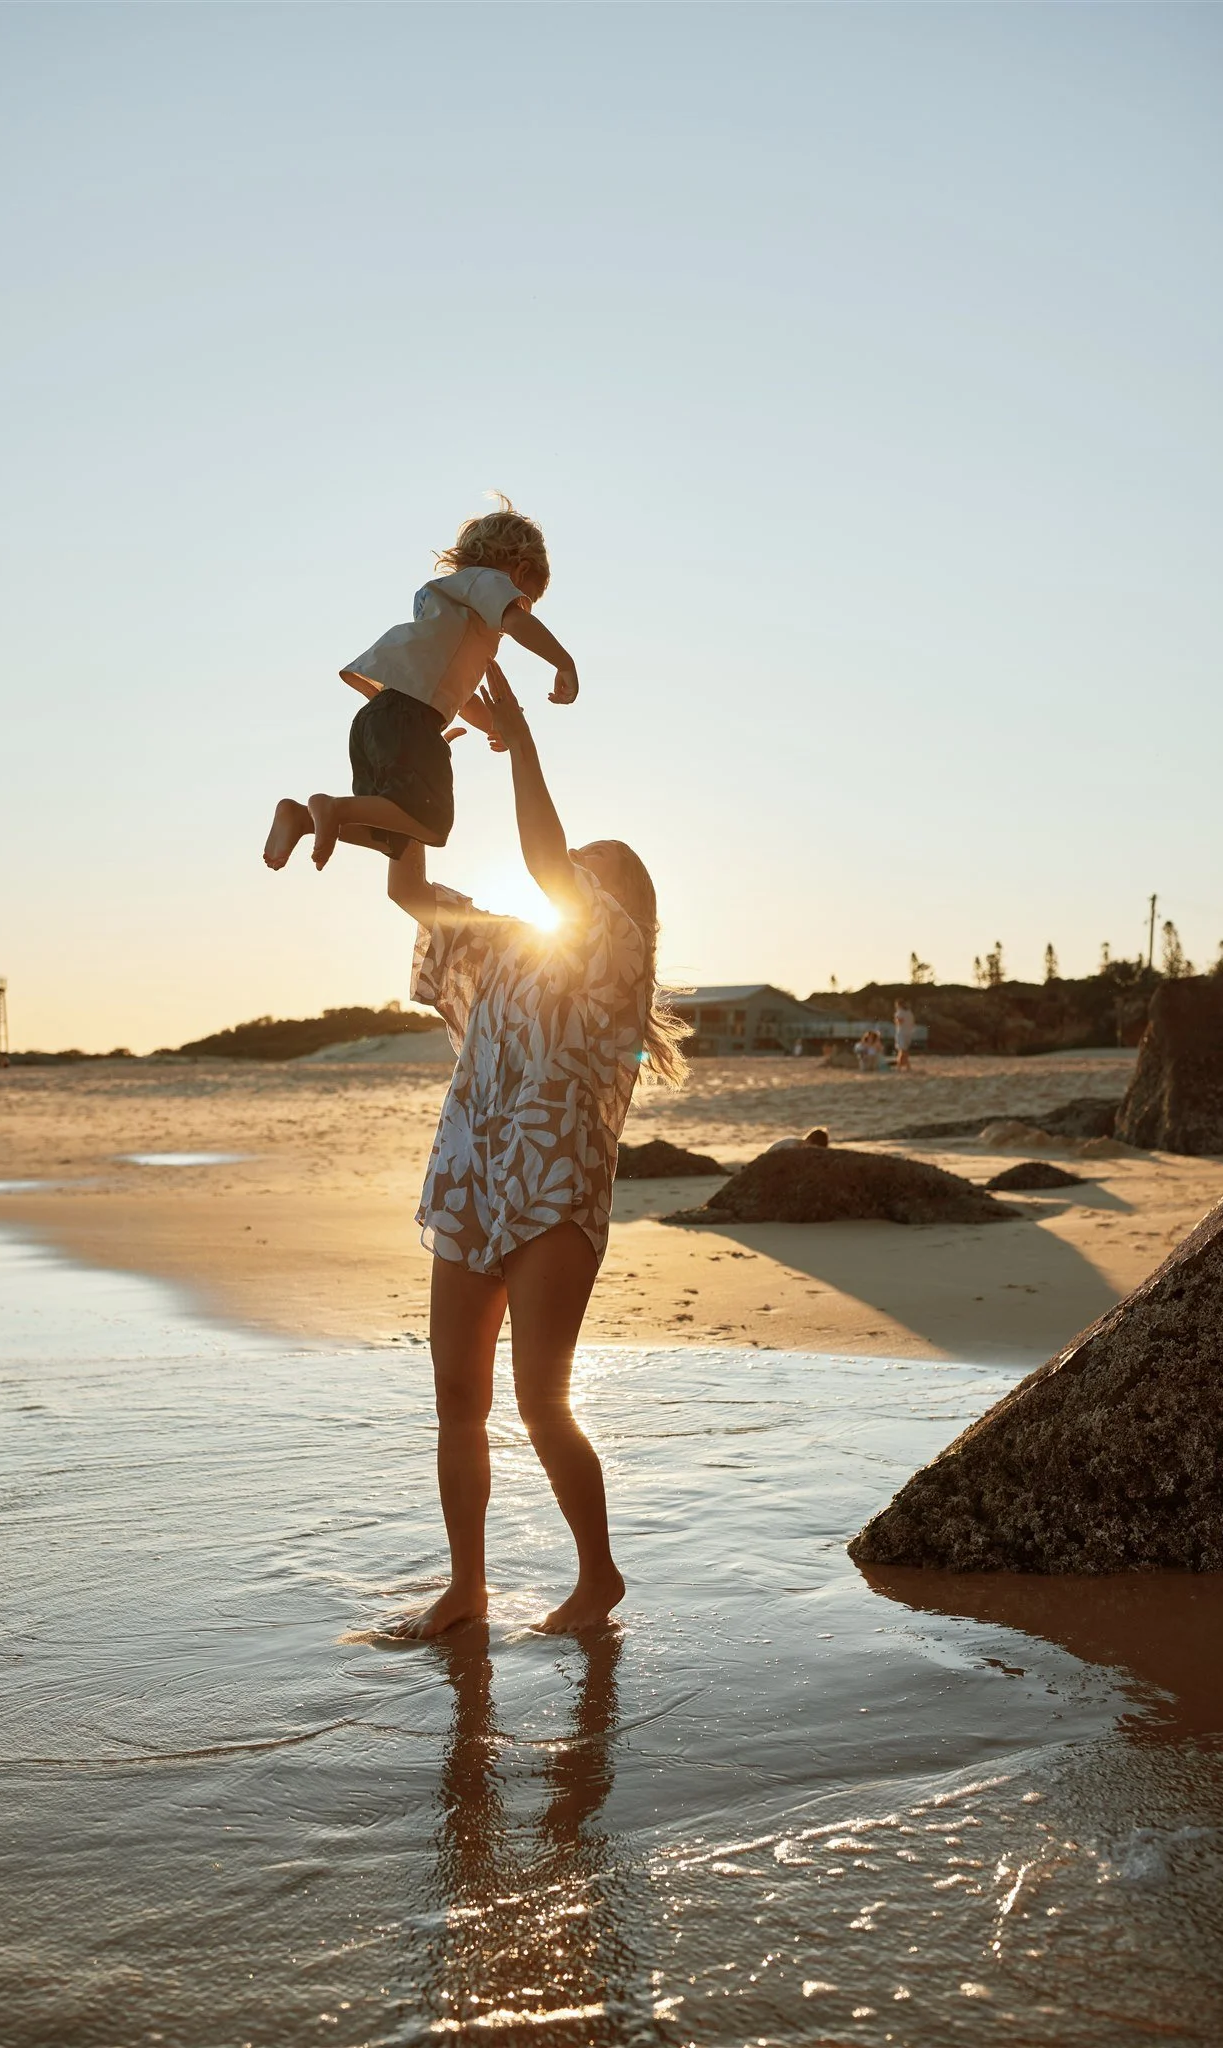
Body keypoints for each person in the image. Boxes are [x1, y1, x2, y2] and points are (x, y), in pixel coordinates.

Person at [385, 663, 688, 1637]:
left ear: (619, 900)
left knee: (537, 1398)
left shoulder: (615, 957)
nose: (572, 875)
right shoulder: (512, 944)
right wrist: (411, 766)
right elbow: (406, 885)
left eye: (591, 869)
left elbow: (548, 857)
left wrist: (519, 736)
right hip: (472, 1179)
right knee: (456, 1399)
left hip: (555, 1187)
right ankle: (466, 1587)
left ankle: (597, 1574)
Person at [263, 499, 579, 873]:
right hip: (406, 719)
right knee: (432, 819)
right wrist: (564, 662)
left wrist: (493, 726)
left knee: (392, 830)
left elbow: (458, 699)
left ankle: (302, 818)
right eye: (525, 599)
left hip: (377, 719)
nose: (515, 611)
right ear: (520, 569)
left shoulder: (447, 610)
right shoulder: (487, 581)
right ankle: (331, 807)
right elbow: (516, 622)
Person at [893, 1000, 916, 1070]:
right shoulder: (909, 1012)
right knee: (904, 1050)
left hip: (902, 1032)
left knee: (902, 1050)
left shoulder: (900, 1012)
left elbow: (899, 1022)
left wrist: (895, 1020)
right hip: (908, 1033)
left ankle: (899, 1067)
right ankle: (907, 1066)